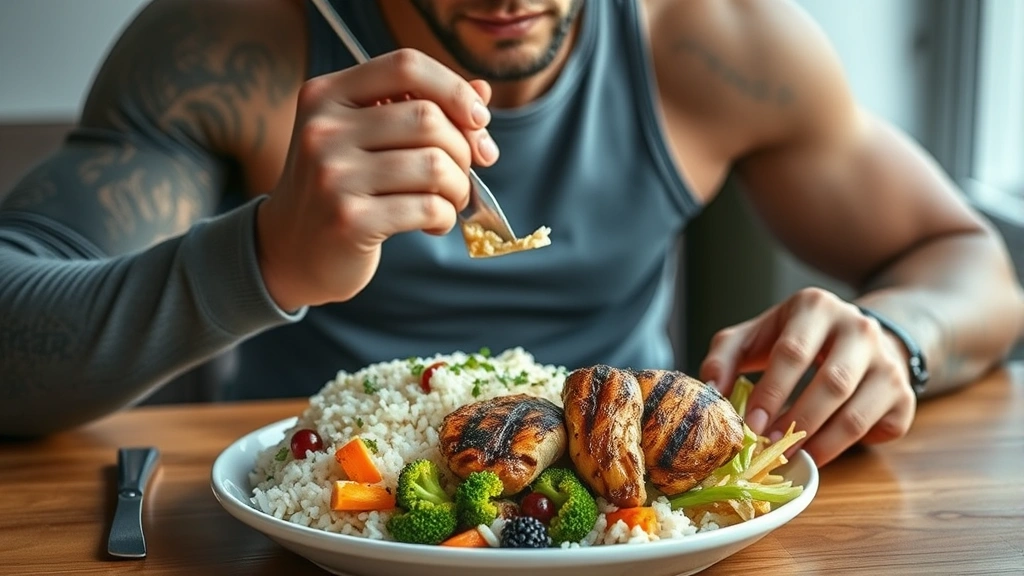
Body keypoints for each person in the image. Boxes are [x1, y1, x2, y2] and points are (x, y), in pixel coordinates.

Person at [1, 0, 1021, 465]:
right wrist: (264, 257)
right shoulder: (223, 43)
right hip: (321, 517)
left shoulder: (717, 38)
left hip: (627, 518)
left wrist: (896, 337)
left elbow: (969, 261)